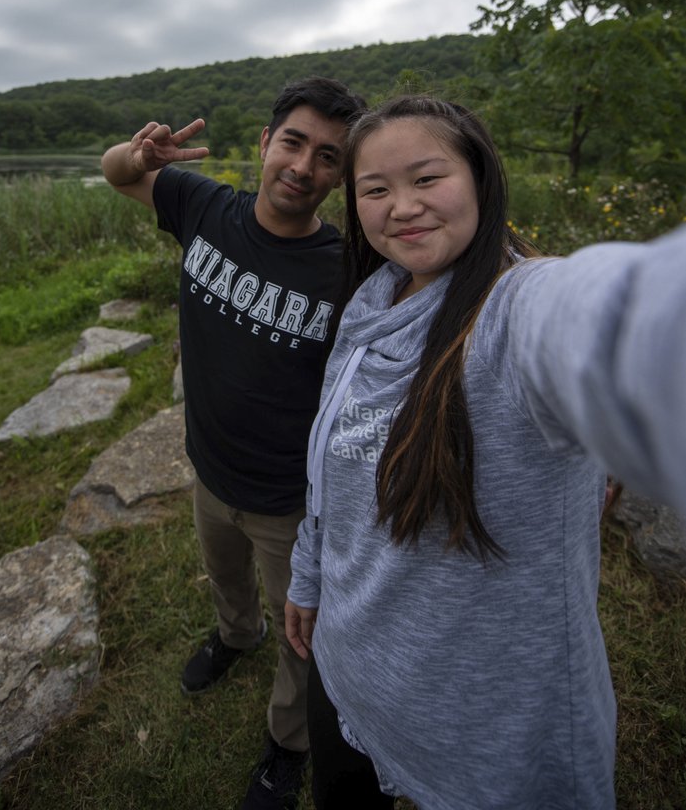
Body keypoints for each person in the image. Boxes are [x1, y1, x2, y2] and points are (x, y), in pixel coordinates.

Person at [285, 94, 686, 810]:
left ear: (480, 178)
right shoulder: (370, 304)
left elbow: (617, 323)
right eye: (374, 190)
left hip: (483, 730)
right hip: (346, 670)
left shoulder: (513, 310)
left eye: (426, 178)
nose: (400, 206)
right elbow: (331, 468)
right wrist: (308, 577)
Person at [101, 76, 366, 810]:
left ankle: (287, 744)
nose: (303, 167)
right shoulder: (201, 205)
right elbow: (116, 173)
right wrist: (135, 150)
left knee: (302, 639)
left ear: (340, 176)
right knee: (225, 577)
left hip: (290, 502)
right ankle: (231, 634)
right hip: (209, 471)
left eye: (327, 158)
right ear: (264, 142)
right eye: (292, 143)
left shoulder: (348, 271)